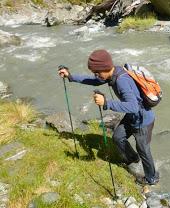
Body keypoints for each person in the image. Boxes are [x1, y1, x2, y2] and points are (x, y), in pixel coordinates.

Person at [58, 49, 159, 185]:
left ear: (105, 69)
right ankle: (132, 159)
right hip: (132, 117)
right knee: (117, 137)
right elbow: (93, 81)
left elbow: (133, 106)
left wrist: (106, 103)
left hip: (143, 121)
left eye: (97, 73)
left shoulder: (121, 81)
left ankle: (152, 178)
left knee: (144, 150)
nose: (96, 76)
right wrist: (70, 77)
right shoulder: (113, 73)